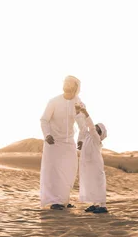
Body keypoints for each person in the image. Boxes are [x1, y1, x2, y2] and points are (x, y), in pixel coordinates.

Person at [39, 75, 86, 210]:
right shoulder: (54, 101)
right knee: (53, 172)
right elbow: (44, 120)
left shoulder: (78, 103)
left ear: (75, 87)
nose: (66, 84)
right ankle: (55, 201)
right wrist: (47, 134)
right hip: (53, 142)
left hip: (68, 142)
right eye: (65, 81)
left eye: (69, 82)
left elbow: (82, 124)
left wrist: (81, 140)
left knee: (69, 170)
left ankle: (63, 199)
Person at [75, 103, 109, 214]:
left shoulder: (96, 138)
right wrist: (77, 113)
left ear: (100, 133)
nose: (95, 128)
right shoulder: (87, 136)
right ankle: (95, 205)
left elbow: (90, 126)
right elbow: (82, 126)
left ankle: (103, 206)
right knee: (90, 183)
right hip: (87, 164)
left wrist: (85, 113)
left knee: (98, 183)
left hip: (95, 164)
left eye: (97, 128)